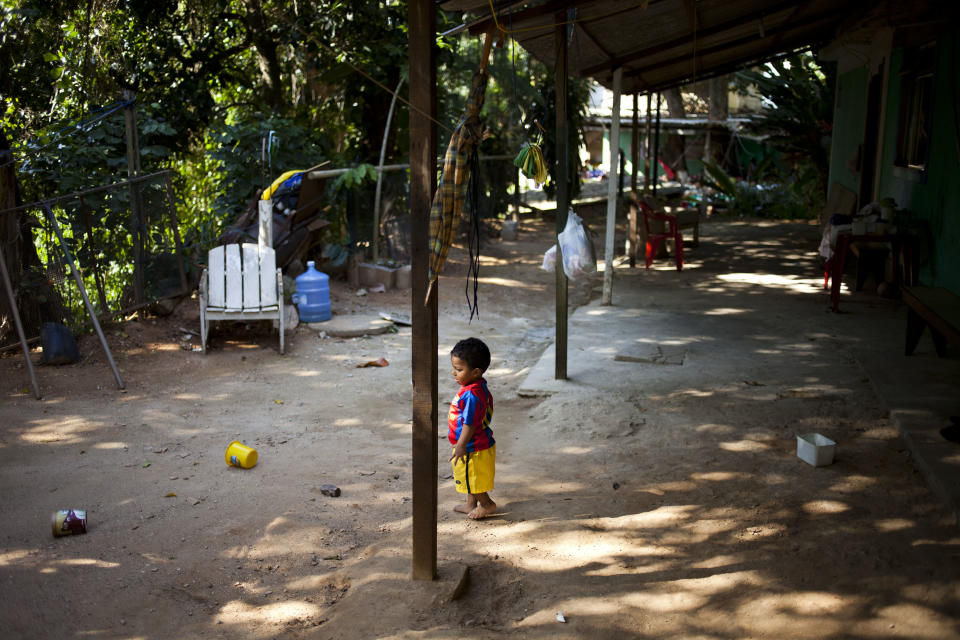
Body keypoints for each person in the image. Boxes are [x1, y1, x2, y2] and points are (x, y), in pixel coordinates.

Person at [447, 337, 497, 520]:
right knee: (469, 476)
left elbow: (469, 423)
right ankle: (470, 503)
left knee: (474, 479)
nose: (454, 373)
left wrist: (461, 445)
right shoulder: (474, 387)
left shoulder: (473, 395)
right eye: (454, 368)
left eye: (459, 370)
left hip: (473, 446)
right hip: (473, 444)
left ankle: (486, 504)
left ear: (476, 372)